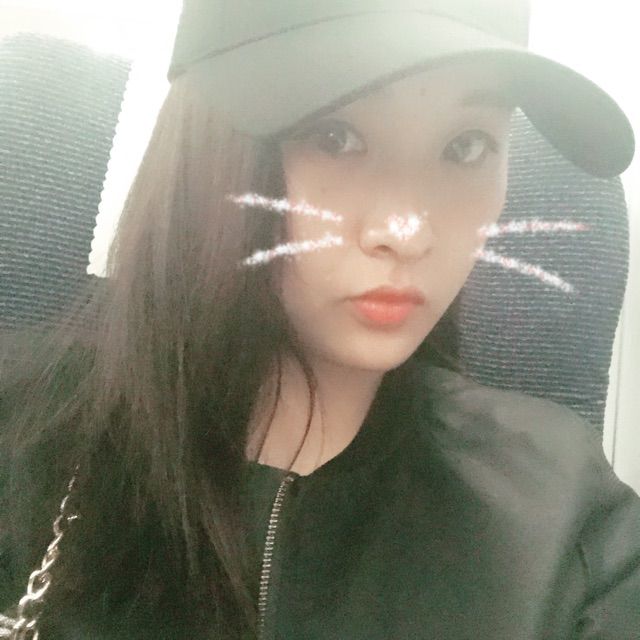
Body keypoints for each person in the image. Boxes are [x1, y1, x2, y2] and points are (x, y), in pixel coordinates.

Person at [1, 1, 639, 638]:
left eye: (466, 146)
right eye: (335, 137)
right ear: (207, 148)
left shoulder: (564, 515)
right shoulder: (20, 441)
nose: (408, 234)